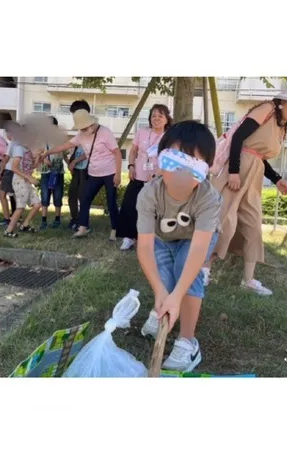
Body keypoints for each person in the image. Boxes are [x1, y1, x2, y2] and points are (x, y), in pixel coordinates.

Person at [204, 82, 287, 295]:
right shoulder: (266, 110)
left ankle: (249, 279)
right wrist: (234, 172)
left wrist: (277, 179)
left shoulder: (283, 126)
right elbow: (238, 139)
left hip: (253, 176)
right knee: (223, 220)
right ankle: (203, 269)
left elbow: (259, 157)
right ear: (283, 100)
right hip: (235, 171)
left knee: (253, 224)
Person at [135, 121, 221, 372]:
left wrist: (178, 292)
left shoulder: (208, 197)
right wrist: (162, 293)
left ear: (206, 168)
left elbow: (197, 251)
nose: (180, 175)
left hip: (194, 239)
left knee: (186, 272)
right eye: (173, 162)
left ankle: (187, 342)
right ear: (161, 160)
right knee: (164, 280)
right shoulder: (149, 194)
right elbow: (145, 248)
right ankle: (160, 307)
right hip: (163, 239)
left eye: (191, 166)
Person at [41, 109, 122, 239]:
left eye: (84, 128)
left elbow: (117, 153)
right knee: (84, 198)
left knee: (111, 201)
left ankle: (115, 229)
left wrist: (117, 174)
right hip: (93, 173)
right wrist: (47, 153)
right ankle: (83, 227)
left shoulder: (105, 132)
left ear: (91, 123)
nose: (83, 130)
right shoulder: (80, 135)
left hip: (110, 172)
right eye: (81, 128)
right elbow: (65, 146)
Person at [117, 104, 173, 251]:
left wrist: (156, 175)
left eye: (160, 116)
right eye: (153, 116)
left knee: (154, 210)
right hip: (138, 176)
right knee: (130, 206)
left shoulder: (169, 137)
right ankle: (128, 238)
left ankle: (149, 239)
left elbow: (169, 159)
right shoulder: (142, 132)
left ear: (167, 119)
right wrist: (130, 166)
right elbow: (133, 151)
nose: (156, 119)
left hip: (158, 178)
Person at [4, 123, 42, 237]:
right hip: (19, 181)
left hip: (26, 181)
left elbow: (32, 167)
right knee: (20, 207)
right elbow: (14, 168)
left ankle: (25, 225)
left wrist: (39, 156)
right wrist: (29, 177)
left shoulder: (28, 150)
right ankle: (8, 231)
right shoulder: (19, 149)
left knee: (37, 204)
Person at [66, 100, 91, 231]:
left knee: (83, 195)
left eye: (74, 113)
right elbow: (75, 148)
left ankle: (83, 222)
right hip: (77, 169)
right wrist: (71, 162)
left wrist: (75, 161)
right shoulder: (80, 131)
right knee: (72, 194)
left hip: (87, 169)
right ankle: (74, 219)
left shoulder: (93, 130)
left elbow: (90, 152)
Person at [38, 116, 65, 230]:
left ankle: (57, 219)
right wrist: (44, 159)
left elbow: (66, 153)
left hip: (58, 171)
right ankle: (44, 220)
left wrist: (71, 165)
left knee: (58, 196)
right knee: (45, 195)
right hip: (45, 171)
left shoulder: (61, 138)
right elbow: (38, 154)